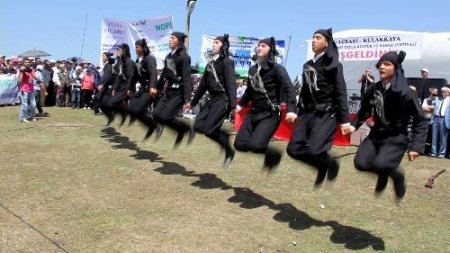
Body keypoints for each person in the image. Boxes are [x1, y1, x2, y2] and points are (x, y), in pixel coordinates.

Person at [353, 51, 427, 199]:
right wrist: (352, 126)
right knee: (360, 163)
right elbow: (364, 112)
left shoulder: (406, 92)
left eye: (387, 64)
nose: (382, 67)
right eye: (380, 64)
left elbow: (421, 120)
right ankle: (385, 173)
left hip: (396, 137)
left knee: (382, 164)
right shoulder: (373, 89)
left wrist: (416, 146)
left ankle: (396, 175)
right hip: (376, 135)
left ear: (396, 68)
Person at [286, 29, 353, 186]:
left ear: (327, 43)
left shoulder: (334, 65)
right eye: (313, 37)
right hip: (307, 113)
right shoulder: (307, 65)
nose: (314, 41)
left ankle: (330, 163)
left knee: (315, 151)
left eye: (318, 38)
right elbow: (304, 91)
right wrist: (295, 111)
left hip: (325, 114)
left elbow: (340, 92)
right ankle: (322, 166)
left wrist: (345, 121)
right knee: (293, 149)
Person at [234, 37, 297, 170]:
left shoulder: (277, 69)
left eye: (263, 46)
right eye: (259, 45)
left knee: (256, 146)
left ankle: (273, 155)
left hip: (270, 114)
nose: (260, 48)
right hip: (253, 113)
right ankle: (267, 151)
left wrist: (291, 110)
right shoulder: (252, 70)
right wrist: (240, 105)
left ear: (271, 49)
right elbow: (249, 91)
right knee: (239, 144)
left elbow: (289, 88)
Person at [184, 34, 237, 166]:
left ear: (223, 46)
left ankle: (229, 150)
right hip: (212, 99)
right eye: (213, 43)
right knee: (197, 125)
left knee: (209, 129)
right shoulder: (210, 64)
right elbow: (202, 86)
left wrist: (232, 104)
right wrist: (193, 102)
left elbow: (231, 83)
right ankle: (223, 135)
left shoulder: (227, 62)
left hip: (222, 100)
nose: (213, 45)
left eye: (217, 42)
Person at [153, 32, 194, 146]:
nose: (170, 40)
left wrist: (187, 99)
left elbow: (186, 78)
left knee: (166, 117)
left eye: (173, 38)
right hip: (169, 91)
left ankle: (186, 129)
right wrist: (157, 88)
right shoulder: (168, 57)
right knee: (156, 114)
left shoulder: (184, 57)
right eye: (170, 38)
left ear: (179, 41)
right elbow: (164, 75)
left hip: (179, 92)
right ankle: (177, 129)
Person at [127, 39, 161, 138]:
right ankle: (151, 125)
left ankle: (154, 123)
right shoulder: (138, 60)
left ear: (143, 48)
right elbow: (135, 76)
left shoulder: (150, 59)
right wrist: (130, 88)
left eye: (137, 47)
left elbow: (153, 73)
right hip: (142, 89)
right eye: (135, 47)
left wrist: (152, 87)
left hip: (149, 89)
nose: (135, 49)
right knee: (131, 109)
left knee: (138, 110)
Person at [103, 43, 136, 125]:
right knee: (106, 101)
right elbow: (118, 76)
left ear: (124, 51)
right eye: (117, 50)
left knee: (112, 102)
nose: (117, 52)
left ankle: (123, 113)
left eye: (120, 50)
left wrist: (129, 89)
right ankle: (121, 114)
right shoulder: (120, 61)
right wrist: (114, 88)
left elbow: (130, 77)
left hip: (127, 87)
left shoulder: (130, 62)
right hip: (120, 86)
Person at [430, 86, 450, 158]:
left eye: (444, 92)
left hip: (444, 119)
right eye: (442, 92)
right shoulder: (438, 99)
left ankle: (441, 153)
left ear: (448, 93)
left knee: (443, 138)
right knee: (434, 137)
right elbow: (431, 101)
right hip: (436, 118)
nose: (443, 93)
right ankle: (433, 152)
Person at [18, 58, 36, 122]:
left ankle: (32, 116)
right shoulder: (21, 70)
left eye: (28, 62)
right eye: (26, 62)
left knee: (33, 104)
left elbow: (35, 78)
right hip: (24, 89)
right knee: (24, 104)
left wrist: (31, 72)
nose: (28, 63)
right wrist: (22, 72)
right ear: (23, 63)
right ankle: (22, 118)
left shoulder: (31, 69)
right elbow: (20, 81)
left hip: (31, 89)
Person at [422, 87, 438, 154]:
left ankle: (432, 151)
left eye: (434, 94)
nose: (432, 95)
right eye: (431, 94)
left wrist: (429, 108)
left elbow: (436, 109)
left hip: (434, 121)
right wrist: (432, 109)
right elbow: (423, 108)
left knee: (433, 137)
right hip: (426, 120)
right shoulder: (426, 100)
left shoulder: (438, 100)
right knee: (424, 136)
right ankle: (423, 151)